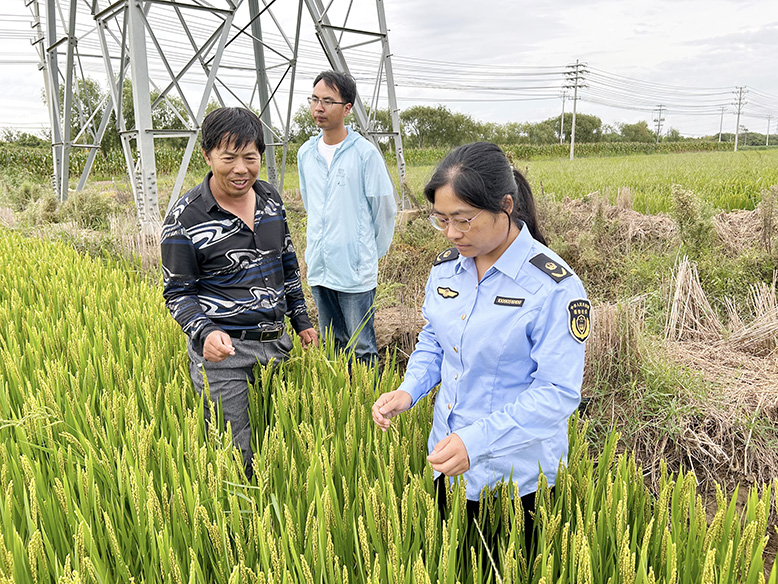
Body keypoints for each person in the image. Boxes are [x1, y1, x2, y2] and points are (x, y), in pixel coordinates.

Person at [371, 142, 589, 555]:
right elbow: (435, 338)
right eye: (442, 221)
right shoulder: (446, 269)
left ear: (505, 205)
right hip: (450, 465)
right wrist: (409, 389)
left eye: (464, 220)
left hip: (517, 479)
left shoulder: (553, 287)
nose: (453, 234)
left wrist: (478, 441)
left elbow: (557, 394)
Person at [162, 107, 317, 479]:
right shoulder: (185, 219)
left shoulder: (269, 199)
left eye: (250, 157)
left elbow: (288, 263)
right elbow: (178, 293)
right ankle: (243, 532)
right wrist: (205, 332)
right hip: (224, 354)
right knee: (238, 456)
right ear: (207, 155)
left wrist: (300, 320)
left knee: (281, 443)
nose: (241, 168)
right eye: (228, 157)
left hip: (277, 345)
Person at [297, 70, 397, 367]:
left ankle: (370, 406)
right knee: (333, 344)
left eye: (328, 101)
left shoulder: (365, 155)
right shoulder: (305, 153)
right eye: (314, 99)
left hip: (355, 272)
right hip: (320, 266)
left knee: (362, 345)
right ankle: (341, 404)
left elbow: (384, 210)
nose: (319, 107)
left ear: (347, 108)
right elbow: (309, 204)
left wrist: (366, 255)